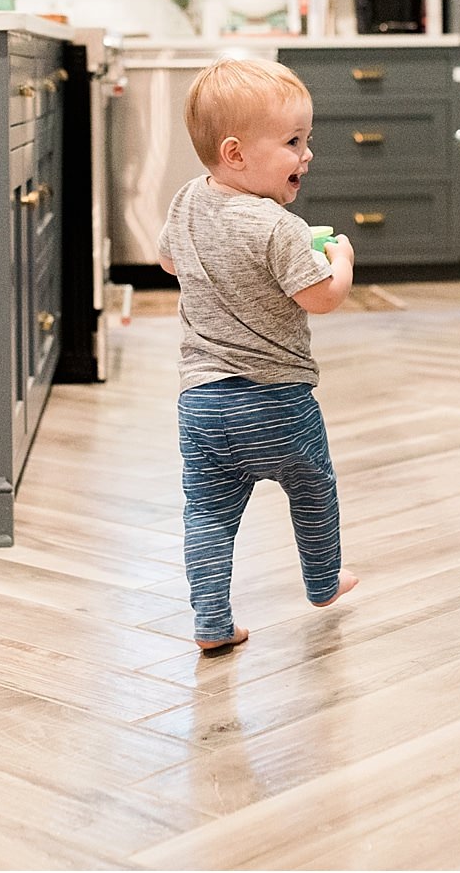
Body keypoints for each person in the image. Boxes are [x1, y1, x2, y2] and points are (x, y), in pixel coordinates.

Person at [157, 57, 360, 652]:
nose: (308, 154)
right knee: (313, 486)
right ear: (237, 153)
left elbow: (169, 261)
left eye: (308, 139)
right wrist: (341, 259)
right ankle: (323, 582)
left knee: (208, 513)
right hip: (278, 402)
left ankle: (211, 621)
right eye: (294, 141)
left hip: (201, 406)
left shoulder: (188, 201)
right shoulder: (279, 227)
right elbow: (321, 298)